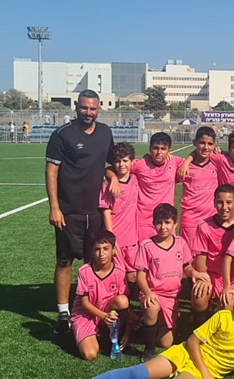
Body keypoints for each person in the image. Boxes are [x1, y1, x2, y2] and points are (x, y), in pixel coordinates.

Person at [49, 281, 234, 379]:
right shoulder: (224, 317)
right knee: (138, 373)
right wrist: (207, 374)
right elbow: (192, 341)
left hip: (197, 374)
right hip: (186, 354)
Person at [45, 89, 114, 334]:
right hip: (68, 211)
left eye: (93, 108)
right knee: (64, 261)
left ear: (99, 109)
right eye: (84, 107)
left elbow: (112, 163)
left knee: (93, 261)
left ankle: (91, 308)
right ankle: (63, 312)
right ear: (76, 106)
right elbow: (51, 172)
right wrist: (54, 207)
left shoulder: (105, 132)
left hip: (95, 211)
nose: (88, 112)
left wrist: (113, 175)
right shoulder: (62, 134)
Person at [133, 204, 208, 362]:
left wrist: (194, 273)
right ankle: (149, 349)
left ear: (175, 224)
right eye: (159, 223)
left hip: (172, 297)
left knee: (166, 343)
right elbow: (140, 276)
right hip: (153, 293)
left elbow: (187, 267)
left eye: (167, 222)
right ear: (153, 224)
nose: (163, 227)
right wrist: (148, 293)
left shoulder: (180, 243)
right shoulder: (146, 245)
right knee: (152, 306)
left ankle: (145, 324)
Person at [108, 132, 183, 242]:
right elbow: (112, 168)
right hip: (144, 222)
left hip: (166, 220)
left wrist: (187, 162)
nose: (159, 152)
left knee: (167, 251)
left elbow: (197, 159)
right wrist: (113, 178)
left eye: (163, 149)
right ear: (150, 149)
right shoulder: (141, 164)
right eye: (155, 148)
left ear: (169, 151)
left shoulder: (174, 162)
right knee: (145, 251)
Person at [70, 230, 129, 360]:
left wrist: (127, 333)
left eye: (106, 249)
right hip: (86, 314)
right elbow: (84, 303)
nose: (101, 254)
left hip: (106, 310)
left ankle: (115, 334)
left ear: (114, 250)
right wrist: (104, 316)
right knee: (90, 354)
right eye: (97, 249)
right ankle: (81, 330)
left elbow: (125, 306)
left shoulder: (120, 272)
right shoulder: (84, 271)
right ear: (92, 251)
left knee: (123, 301)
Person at [190, 185, 234, 326]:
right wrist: (204, 279)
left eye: (229, 202)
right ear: (214, 203)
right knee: (199, 296)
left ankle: (226, 328)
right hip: (213, 276)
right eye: (220, 202)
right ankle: (199, 327)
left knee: (228, 301)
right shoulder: (204, 226)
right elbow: (200, 259)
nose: (224, 207)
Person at [99, 143, 140, 289]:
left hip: (132, 239)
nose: (121, 164)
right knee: (118, 276)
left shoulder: (136, 179)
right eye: (117, 161)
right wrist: (111, 238)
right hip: (117, 239)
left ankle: (128, 300)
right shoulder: (108, 186)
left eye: (125, 161)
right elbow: (106, 211)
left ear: (132, 162)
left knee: (133, 274)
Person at [177, 126, 219, 244]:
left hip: (212, 220)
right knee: (189, 255)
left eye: (210, 144)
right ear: (194, 143)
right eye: (202, 143)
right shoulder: (183, 166)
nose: (206, 147)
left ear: (214, 145)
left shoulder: (217, 163)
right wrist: (187, 161)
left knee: (211, 254)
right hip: (190, 221)